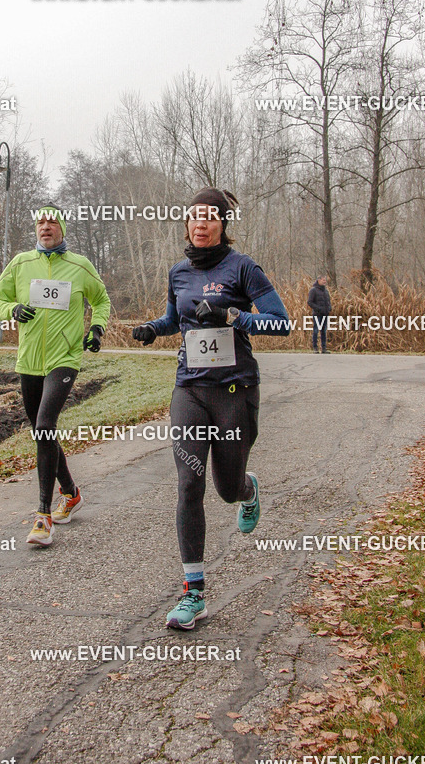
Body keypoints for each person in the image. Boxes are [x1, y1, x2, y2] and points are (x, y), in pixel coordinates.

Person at [132, 188, 290, 630]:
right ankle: (194, 593)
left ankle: (247, 488)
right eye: (193, 217)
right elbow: (174, 319)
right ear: (186, 224)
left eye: (210, 218)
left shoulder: (242, 268)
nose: (200, 224)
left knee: (225, 488)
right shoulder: (178, 273)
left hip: (235, 390)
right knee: (188, 484)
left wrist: (235, 317)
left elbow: (281, 323)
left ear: (222, 224)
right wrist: (151, 328)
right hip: (190, 389)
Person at [0, 203, 111, 547]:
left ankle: (42, 516)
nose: (46, 225)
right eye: (40, 221)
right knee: (42, 432)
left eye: (52, 221)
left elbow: (101, 300)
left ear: (62, 229)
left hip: (65, 358)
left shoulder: (79, 266)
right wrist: (11, 309)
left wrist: (96, 329)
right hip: (28, 360)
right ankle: (70, 493)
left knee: (44, 426)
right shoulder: (21, 263)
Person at [307, 274, 332, 354]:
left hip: (325, 314)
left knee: (324, 331)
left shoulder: (325, 291)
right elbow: (310, 302)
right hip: (317, 314)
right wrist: (318, 308)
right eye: (323, 280)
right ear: (319, 280)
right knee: (316, 330)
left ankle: (324, 348)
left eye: (325, 280)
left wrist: (329, 308)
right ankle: (315, 348)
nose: (325, 281)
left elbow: (328, 301)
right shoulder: (313, 290)